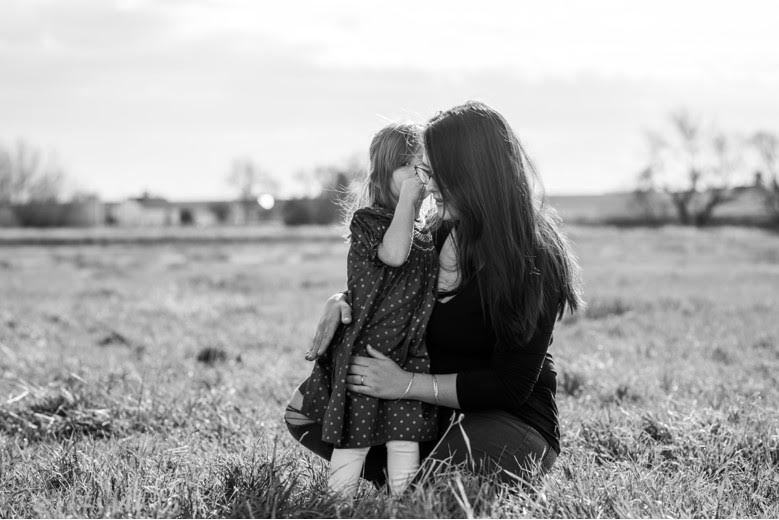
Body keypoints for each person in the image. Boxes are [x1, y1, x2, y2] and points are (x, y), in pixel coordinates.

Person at [286, 101, 583, 489]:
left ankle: (421, 483)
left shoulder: (533, 255)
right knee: (303, 414)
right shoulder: (431, 234)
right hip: (433, 412)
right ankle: (408, 478)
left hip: (508, 419)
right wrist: (340, 300)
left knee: (432, 502)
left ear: (470, 173)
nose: (427, 183)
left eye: (434, 171)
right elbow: (386, 285)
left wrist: (404, 384)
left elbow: (511, 387)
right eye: (423, 169)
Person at [289, 122, 439, 498]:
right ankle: (337, 503)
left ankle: (403, 502)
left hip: (408, 354)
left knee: (404, 439)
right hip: (367, 352)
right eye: (411, 167)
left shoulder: (423, 231)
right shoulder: (369, 222)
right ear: (384, 173)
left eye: (426, 169)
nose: (420, 177)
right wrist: (407, 202)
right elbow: (394, 254)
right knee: (354, 438)